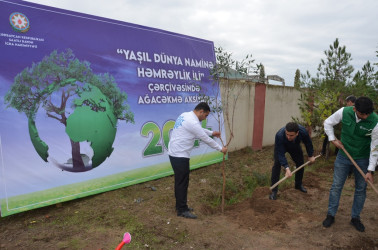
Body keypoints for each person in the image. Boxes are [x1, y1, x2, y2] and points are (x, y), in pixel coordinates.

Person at [322, 96, 378, 232]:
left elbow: (375, 147)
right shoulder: (344, 112)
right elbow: (328, 123)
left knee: (361, 189)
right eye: (362, 114)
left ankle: (355, 218)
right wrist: (333, 139)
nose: (365, 116)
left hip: (363, 158)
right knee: (336, 186)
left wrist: (370, 170)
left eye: (367, 114)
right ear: (354, 109)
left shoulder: (375, 121)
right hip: (343, 156)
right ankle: (331, 215)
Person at [168, 102, 227, 219]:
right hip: (179, 155)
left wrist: (212, 133)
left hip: (175, 153)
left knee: (180, 181)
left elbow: (197, 129)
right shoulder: (192, 121)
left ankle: (180, 206)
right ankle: (182, 210)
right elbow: (204, 137)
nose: (205, 118)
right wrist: (221, 148)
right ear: (201, 112)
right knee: (182, 182)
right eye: (205, 116)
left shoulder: (185, 115)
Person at [269, 122, 316, 200]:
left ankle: (298, 185)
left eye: (291, 135)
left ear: (297, 133)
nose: (288, 137)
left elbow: (308, 143)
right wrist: (287, 168)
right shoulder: (279, 135)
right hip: (282, 147)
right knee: (277, 165)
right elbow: (280, 154)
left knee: (300, 162)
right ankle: (274, 191)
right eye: (287, 134)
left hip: (294, 146)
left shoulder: (303, 132)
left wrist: (310, 155)